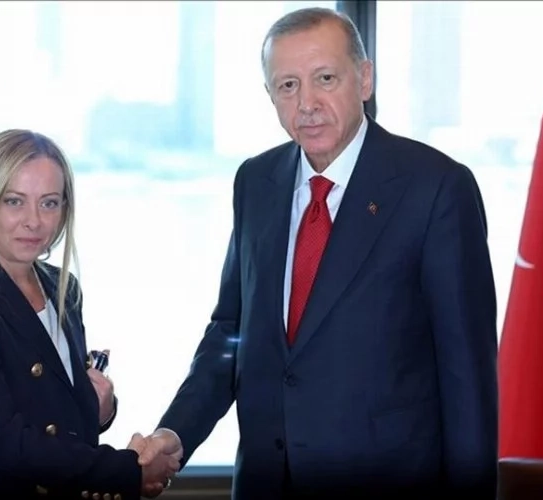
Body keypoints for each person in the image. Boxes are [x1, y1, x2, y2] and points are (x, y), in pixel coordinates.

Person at [138, 7, 498, 499]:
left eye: (325, 78)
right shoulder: (255, 182)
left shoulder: (436, 188)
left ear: (364, 79)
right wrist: (175, 432)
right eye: (287, 86)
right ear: (270, 95)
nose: (307, 103)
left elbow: (467, 377)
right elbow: (231, 333)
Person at [0, 129, 181, 500]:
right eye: (14, 201)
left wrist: (99, 409)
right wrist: (126, 471)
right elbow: (6, 443)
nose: (34, 221)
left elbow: (54, 416)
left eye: (49, 203)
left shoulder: (62, 289)